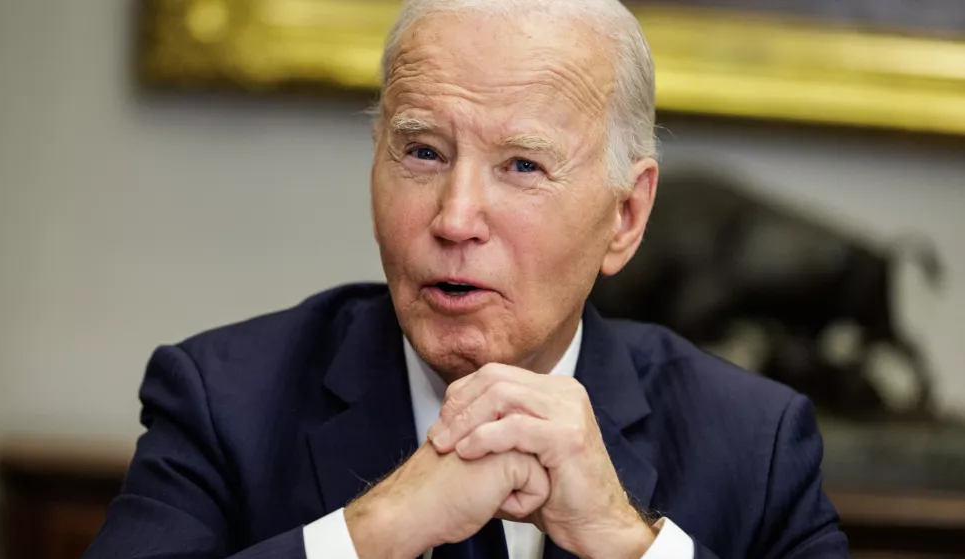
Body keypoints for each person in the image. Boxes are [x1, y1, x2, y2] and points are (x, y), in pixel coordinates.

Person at [84, 0, 848, 557]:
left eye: (522, 165)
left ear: (625, 217)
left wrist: (627, 543)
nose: (455, 218)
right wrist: (374, 532)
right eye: (422, 152)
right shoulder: (223, 401)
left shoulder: (757, 443)